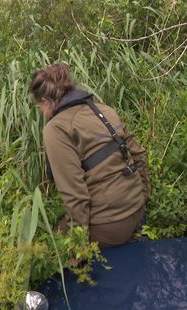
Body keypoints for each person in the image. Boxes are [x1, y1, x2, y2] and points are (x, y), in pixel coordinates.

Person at [29, 63, 151, 248]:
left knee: (46, 246)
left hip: (110, 226)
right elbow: (139, 156)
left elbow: (75, 195)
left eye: (39, 106)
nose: (40, 111)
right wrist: (143, 198)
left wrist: (78, 245)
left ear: (45, 100)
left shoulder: (56, 129)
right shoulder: (105, 110)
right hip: (137, 210)